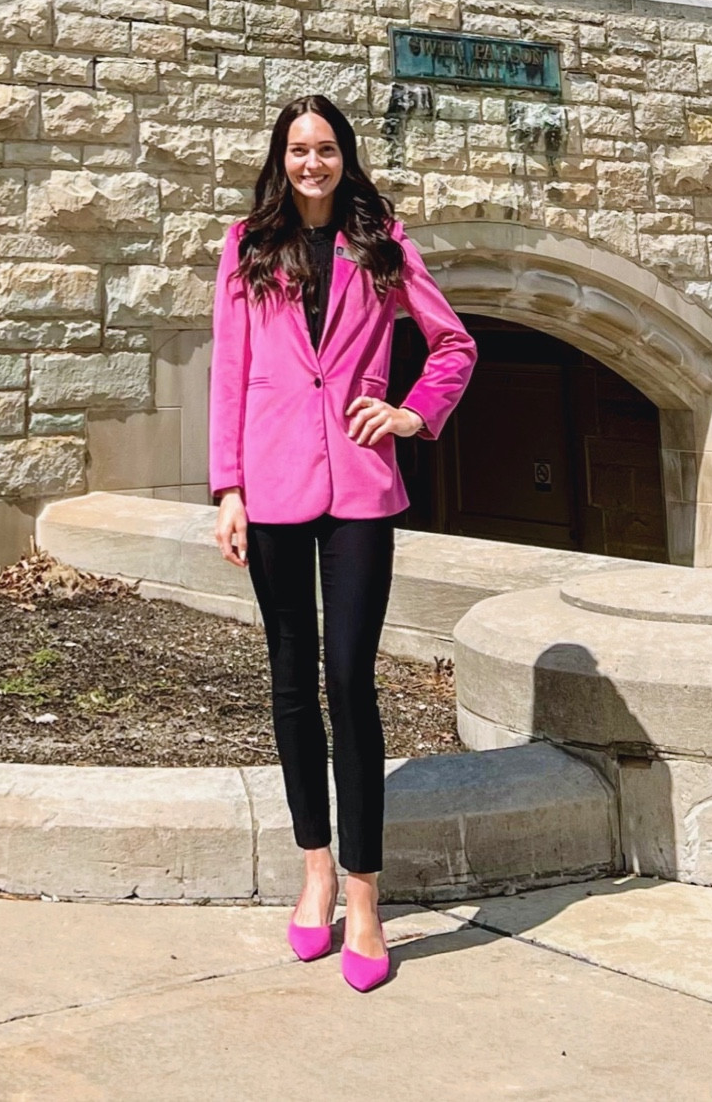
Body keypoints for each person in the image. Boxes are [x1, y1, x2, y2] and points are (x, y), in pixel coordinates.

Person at [210, 96, 475, 991]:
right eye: (298, 149)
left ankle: (365, 892)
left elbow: (453, 345)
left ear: (345, 156)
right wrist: (229, 489)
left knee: (349, 680)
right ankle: (315, 869)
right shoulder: (248, 246)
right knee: (290, 683)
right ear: (280, 158)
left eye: (325, 149)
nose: (312, 163)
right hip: (273, 484)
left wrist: (411, 412)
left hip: (361, 486)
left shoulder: (382, 241)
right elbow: (230, 372)